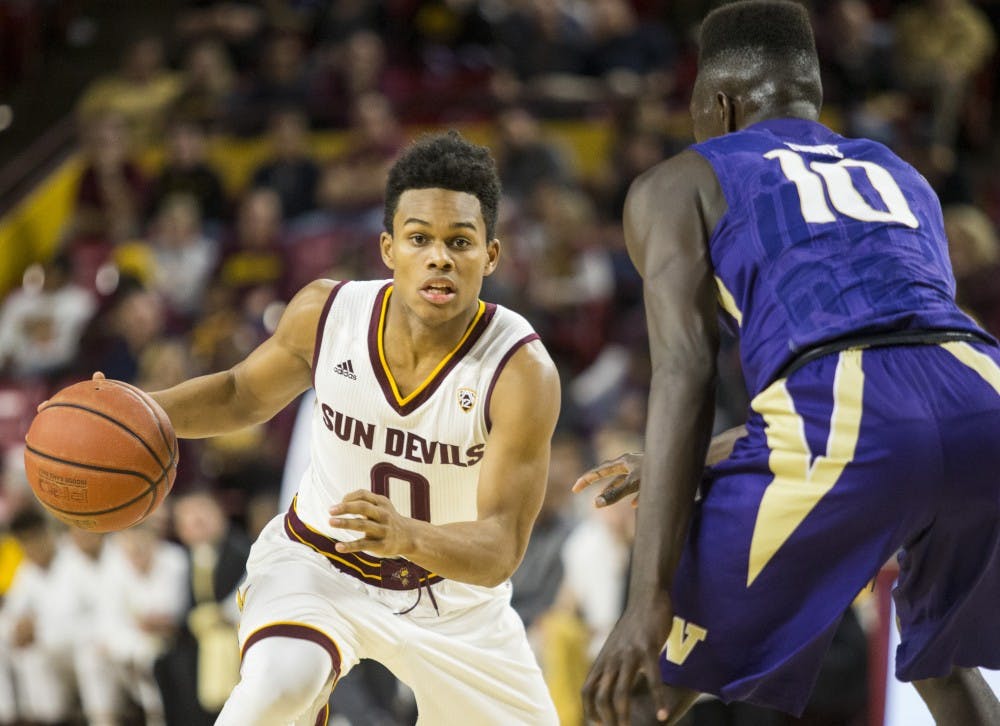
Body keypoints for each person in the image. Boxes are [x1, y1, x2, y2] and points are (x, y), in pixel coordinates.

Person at [571, 2, 1000, 725]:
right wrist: (708, 455)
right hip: (983, 395)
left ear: (720, 103)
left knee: (639, 679)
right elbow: (907, 370)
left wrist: (647, 604)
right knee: (943, 666)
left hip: (853, 415)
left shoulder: (677, 183)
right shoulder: (901, 175)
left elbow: (685, 370)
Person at [133, 130, 560, 724]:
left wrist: (407, 535)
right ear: (389, 249)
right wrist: (139, 410)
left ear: (490, 255)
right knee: (273, 693)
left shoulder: (520, 371)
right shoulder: (327, 313)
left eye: (460, 241)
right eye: (420, 239)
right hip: (317, 564)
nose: (439, 257)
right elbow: (239, 393)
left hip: (454, 601)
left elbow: (501, 547)